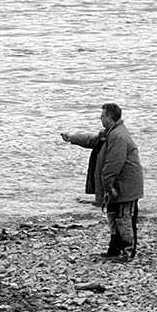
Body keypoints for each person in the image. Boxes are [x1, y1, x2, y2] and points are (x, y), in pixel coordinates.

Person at [61, 103, 144, 260]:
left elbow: (113, 165)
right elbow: (93, 140)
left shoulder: (118, 136)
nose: (100, 118)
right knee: (113, 216)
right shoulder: (110, 133)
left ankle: (127, 252)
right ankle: (114, 250)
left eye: (102, 116)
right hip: (117, 184)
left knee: (123, 217)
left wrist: (108, 186)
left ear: (109, 118)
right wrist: (72, 138)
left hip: (124, 186)